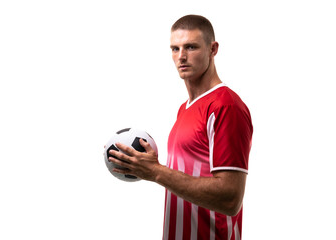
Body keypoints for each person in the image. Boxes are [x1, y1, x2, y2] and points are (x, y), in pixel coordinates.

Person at [108, 15, 253, 240]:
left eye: (191, 47)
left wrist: (156, 171)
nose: (181, 57)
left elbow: (230, 199)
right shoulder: (184, 109)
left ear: (213, 49)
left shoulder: (226, 105)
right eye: (174, 49)